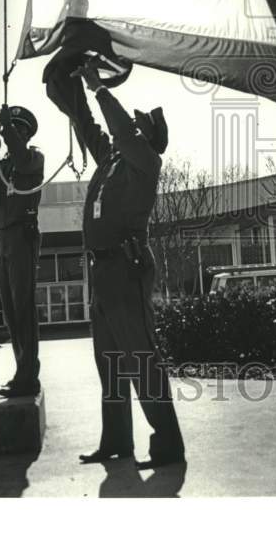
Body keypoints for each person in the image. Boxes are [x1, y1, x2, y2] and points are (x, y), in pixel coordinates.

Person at [44, 52, 185, 469]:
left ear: (146, 137)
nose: (132, 126)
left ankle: (167, 445)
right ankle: (118, 441)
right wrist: (72, 94)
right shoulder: (112, 162)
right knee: (109, 364)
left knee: (141, 356)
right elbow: (89, 128)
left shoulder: (146, 161)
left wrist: (99, 87)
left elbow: (119, 130)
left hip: (127, 269)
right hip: (103, 271)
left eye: (139, 126)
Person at [0, 104, 44, 398]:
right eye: (8, 128)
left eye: (16, 129)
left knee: (23, 307)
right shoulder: (2, 164)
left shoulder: (32, 157)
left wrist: (9, 131)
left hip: (21, 236)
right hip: (1, 239)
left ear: (25, 133)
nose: (9, 132)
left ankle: (28, 375)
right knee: (10, 312)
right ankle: (21, 371)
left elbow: (24, 160)